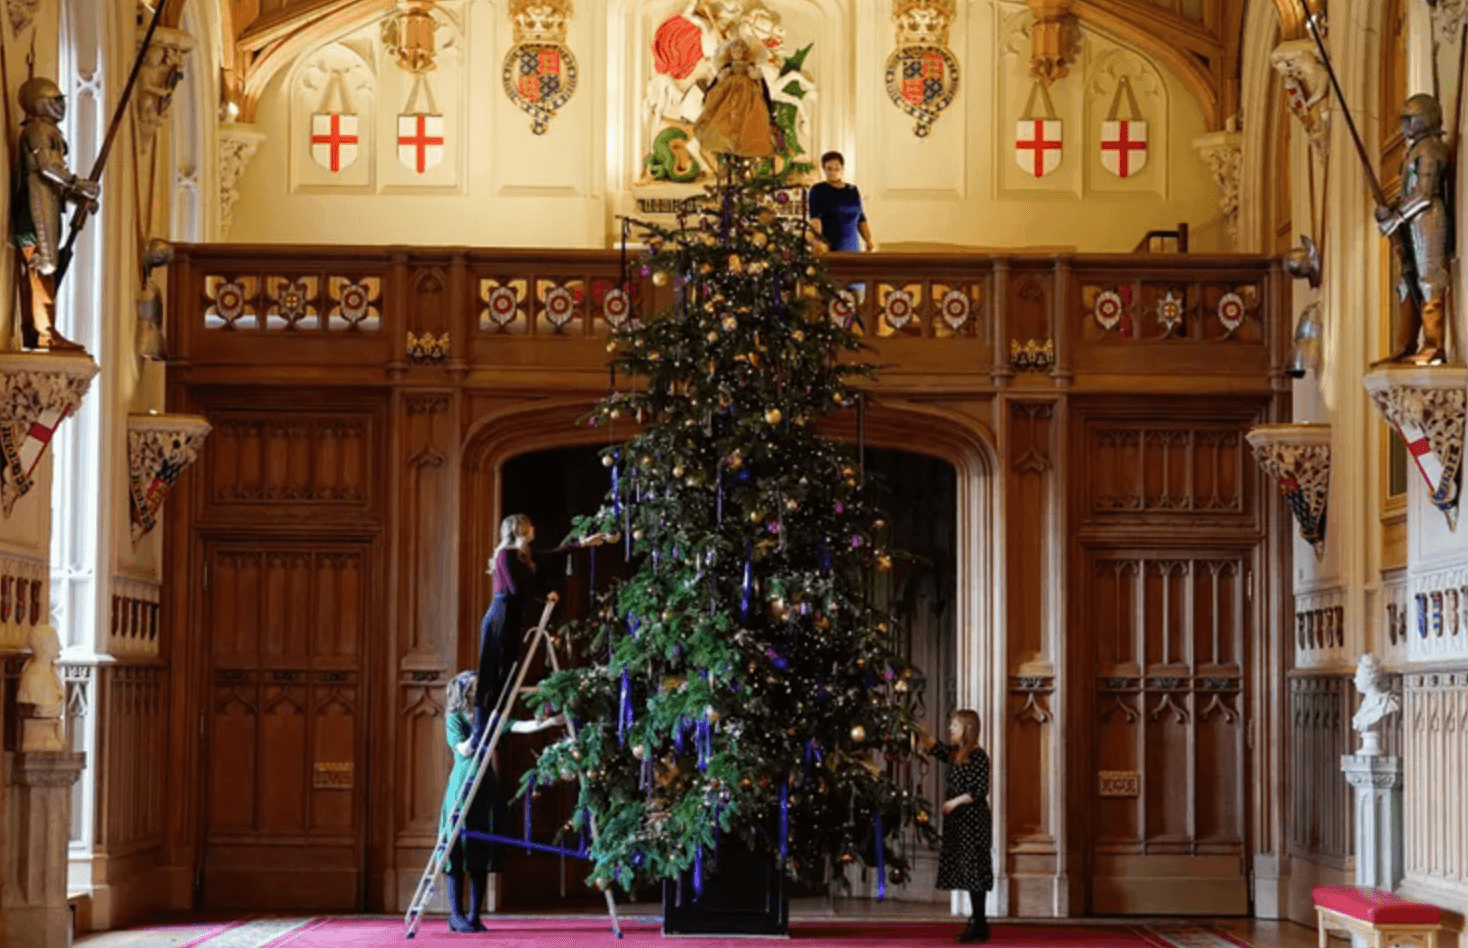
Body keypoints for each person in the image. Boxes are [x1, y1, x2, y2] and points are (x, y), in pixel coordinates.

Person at [465, 514, 612, 753]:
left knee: (506, 678)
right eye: (529, 526)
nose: (533, 528)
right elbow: (516, 588)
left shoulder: (523, 555)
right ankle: (478, 733)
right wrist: (545, 594)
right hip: (499, 618)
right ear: (520, 530)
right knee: (489, 675)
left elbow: (553, 554)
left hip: (512, 620)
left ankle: (490, 730)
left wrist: (581, 544)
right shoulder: (505, 555)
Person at [438, 671, 563, 932]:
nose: (482, 691)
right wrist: (483, 726)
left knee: (481, 848)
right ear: (465, 692)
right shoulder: (455, 719)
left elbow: (523, 726)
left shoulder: (490, 718)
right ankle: (456, 915)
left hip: (486, 786)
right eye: (476, 687)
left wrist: (552, 722)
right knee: (458, 848)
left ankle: (474, 915)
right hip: (463, 785)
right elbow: (464, 749)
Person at [921, 709, 992, 944]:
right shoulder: (954, 753)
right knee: (967, 870)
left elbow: (979, 791)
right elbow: (933, 745)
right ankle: (978, 922)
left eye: (955, 725)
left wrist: (954, 802)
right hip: (958, 821)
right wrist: (913, 728)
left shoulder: (978, 755)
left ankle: (979, 922)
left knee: (974, 870)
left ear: (967, 728)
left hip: (973, 820)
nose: (951, 729)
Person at [691, 32, 775, 158]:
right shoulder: (728, 65)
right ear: (730, 53)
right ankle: (726, 139)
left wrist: (754, 75)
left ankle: (742, 139)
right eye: (734, 51)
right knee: (723, 112)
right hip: (728, 88)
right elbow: (717, 80)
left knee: (746, 113)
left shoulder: (749, 65)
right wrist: (721, 77)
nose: (736, 54)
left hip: (746, 89)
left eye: (739, 51)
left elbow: (759, 79)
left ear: (744, 52)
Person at [808, 152, 875, 253]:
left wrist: (869, 241)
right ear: (824, 169)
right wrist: (816, 242)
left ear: (842, 168)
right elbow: (815, 220)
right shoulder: (818, 190)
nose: (833, 172)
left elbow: (861, 219)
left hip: (853, 248)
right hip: (830, 249)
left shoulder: (852, 190)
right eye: (829, 169)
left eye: (836, 169)